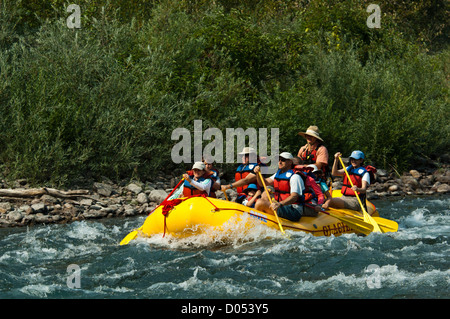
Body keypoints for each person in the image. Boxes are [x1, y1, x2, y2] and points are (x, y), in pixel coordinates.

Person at [254, 152, 306, 222]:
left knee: (260, 203)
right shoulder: (278, 174)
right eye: (279, 160)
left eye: (283, 160)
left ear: (290, 162)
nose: (280, 162)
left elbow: (294, 197)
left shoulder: (295, 177)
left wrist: (279, 204)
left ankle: (256, 221)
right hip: (281, 205)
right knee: (265, 194)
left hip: (294, 210)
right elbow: (263, 183)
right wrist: (257, 173)